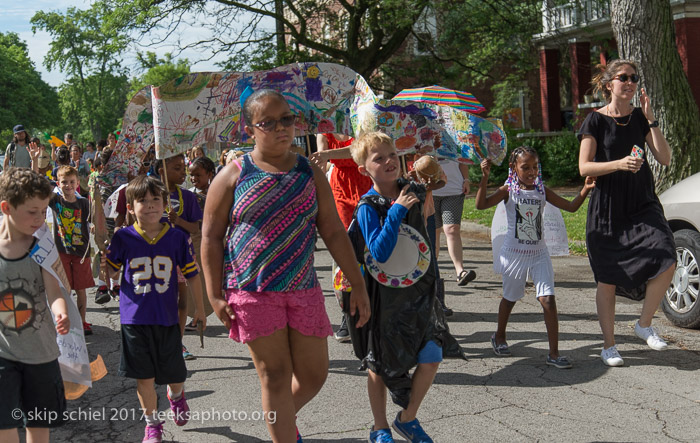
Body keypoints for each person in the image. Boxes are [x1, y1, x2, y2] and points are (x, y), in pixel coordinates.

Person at [201, 89, 370, 443]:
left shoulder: (309, 172)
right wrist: (214, 295)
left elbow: (335, 233)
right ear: (250, 130)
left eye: (287, 119)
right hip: (252, 291)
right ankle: (282, 434)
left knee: (313, 375)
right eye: (269, 122)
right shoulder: (233, 175)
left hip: (302, 288)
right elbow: (211, 238)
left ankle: (280, 421)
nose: (281, 128)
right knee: (275, 376)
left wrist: (358, 282)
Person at [347, 131, 460, 443]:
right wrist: (396, 210)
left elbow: (424, 232)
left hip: (419, 293)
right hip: (382, 299)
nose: (388, 162)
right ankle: (380, 427)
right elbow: (379, 253)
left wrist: (430, 171)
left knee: (432, 354)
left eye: (391, 156)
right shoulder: (368, 206)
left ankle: (407, 419)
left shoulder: (412, 190)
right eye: (378, 158)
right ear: (364, 169)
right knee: (378, 364)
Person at [578, 59, 676, 367]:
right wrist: (619, 164)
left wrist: (652, 120)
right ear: (609, 85)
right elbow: (584, 167)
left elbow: (664, 158)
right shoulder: (594, 121)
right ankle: (609, 345)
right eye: (624, 78)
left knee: (666, 255)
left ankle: (644, 324)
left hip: (642, 202)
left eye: (634, 78)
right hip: (607, 207)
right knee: (607, 278)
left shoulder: (639, 118)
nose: (630, 82)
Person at [102, 175, 206, 443]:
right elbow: (112, 274)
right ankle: (152, 424)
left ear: (164, 203)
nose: (150, 205)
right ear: (130, 207)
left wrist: (200, 309)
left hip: (167, 317)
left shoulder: (176, 238)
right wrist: (106, 260)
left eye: (155, 200)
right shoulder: (123, 238)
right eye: (142, 201)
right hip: (133, 319)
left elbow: (192, 274)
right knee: (144, 378)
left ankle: (176, 395)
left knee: (175, 374)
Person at [476, 146, 595, 368]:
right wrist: (484, 179)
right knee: (510, 299)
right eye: (526, 167)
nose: (532, 172)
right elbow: (480, 205)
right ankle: (499, 336)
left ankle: (554, 353)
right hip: (514, 255)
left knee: (548, 300)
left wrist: (585, 188)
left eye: (535, 167)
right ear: (514, 168)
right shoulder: (507, 191)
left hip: (539, 254)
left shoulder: (542, 191)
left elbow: (570, 207)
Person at [0, 168, 70, 443]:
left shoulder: (43, 246)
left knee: (39, 424)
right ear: (6, 207)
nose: (40, 218)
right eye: (32, 211)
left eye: (44, 211)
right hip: (3, 354)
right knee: (4, 425)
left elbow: (55, 292)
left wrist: (61, 311)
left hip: (41, 354)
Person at [311, 133, 373, 342]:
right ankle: (347, 313)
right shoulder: (324, 131)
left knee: (369, 249)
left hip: (366, 184)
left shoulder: (360, 123)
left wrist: (327, 154)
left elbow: (359, 152)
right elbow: (322, 160)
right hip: (340, 189)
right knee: (344, 251)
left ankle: (374, 306)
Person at [157, 154, 203, 361]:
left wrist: (178, 221)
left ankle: (178, 342)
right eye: (176, 168)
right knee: (160, 300)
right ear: (162, 171)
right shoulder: (151, 195)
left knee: (182, 301)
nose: (182, 172)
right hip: (157, 256)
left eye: (183, 167)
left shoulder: (189, 197)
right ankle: (159, 342)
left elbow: (195, 227)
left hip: (182, 253)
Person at [44, 165, 96, 335]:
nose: (68, 185)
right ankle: (66, 321)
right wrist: (36, 160)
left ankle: (82, 321)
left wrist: (95, 225)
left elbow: (94, 220)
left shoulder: (84, 203)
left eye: (71, 181)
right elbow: (39, 186)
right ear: (58, 184)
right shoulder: (56, 201)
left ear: (77, 182)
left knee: (80, 289)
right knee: (64, 290)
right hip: (62, 252)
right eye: (64, 182)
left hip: (81, 253)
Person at [184, 155, 217, 329]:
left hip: (217, 242)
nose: (194, 179)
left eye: (199, 175)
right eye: (192, 175)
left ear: (210, 174)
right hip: (195, 243)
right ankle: (197, 315)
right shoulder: (188, 196)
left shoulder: (219, 192)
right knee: (198, 282)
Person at [433, 158, 477, 286]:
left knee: (452, 229)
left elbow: (462, 162)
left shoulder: (455, 140)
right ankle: (432, 273)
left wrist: (466, 180)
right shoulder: (424, 140)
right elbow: (417, 161)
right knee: (434, 231)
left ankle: (460, 271)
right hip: (431, 190)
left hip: (454, 190)